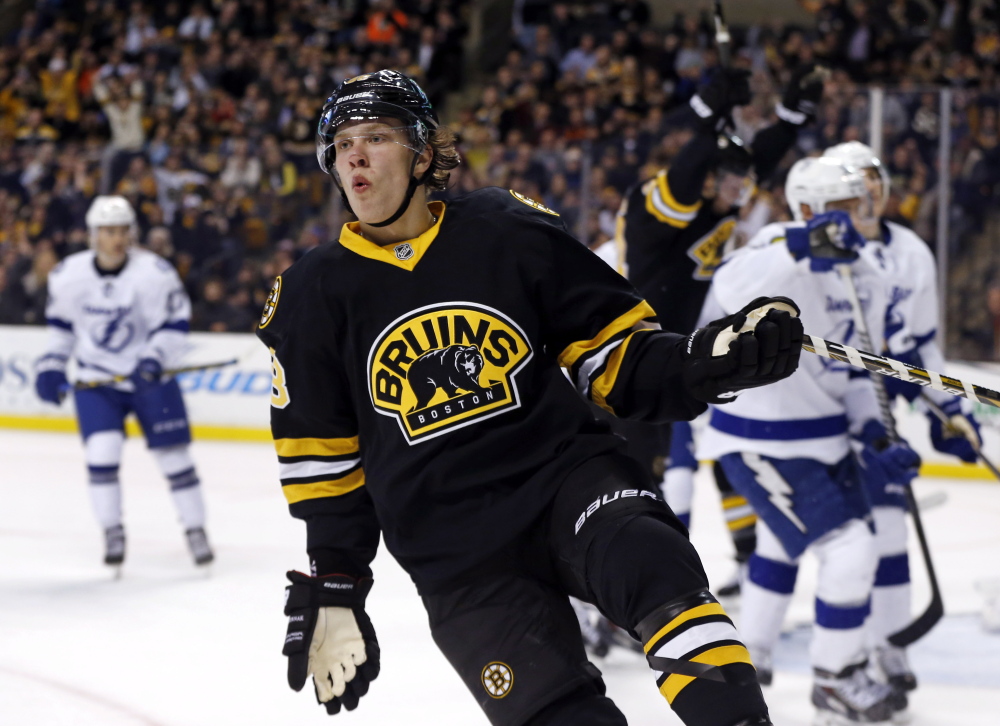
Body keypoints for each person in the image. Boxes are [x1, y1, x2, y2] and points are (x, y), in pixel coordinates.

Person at [256, 70, 805, 726]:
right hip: (453, 549)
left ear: (423, 154)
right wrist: (337, 580)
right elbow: (322, 461)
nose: (355, 157)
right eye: (342, 144)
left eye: (375, 137)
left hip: (567, 483)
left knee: (656, 571)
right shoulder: (310, 295)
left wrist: (703, 362)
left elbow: (615, 360)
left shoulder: (505, 229)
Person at [698, 157, 921, 724]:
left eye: (859, 204)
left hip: (826, 442)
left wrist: (875, 437)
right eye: (840, 207)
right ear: (805, 209)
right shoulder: (776, 246)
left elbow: (856, 374)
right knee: (850, 550)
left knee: (783, 543)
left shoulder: (865, 271)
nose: (856, 216)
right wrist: (802, 244)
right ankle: (834, 679)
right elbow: (729, 287)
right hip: (760, 442)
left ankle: (754, 653)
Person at [613, 63, 828, 595]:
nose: (742, 191)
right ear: (707, 177)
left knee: (725, 457)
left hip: (687, 352)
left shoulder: (716, 199)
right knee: (640, 479)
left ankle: (746, 560)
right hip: (631, 360)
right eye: (730, 182)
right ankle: (623, 592)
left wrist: (789, 120)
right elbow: (688, 175)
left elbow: (750, 164)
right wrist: (708, 121)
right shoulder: (653, 206)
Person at [823, 140, 983, 698]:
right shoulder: (819, 255)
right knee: (836, 544)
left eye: (873, 180)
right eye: (854, 184)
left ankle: (888, 649)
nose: (867, 193)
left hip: (877, 408)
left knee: (888, 531)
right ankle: (821, 660)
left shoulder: (913, 251)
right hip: (823, 410)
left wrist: (949, 409)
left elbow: (921, 346)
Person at [34, 195, 213, 571]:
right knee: (102, 453)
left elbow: (176, 325)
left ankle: (195, 528)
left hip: (151, 377)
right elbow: (61, 332)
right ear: (93, 234)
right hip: (97, 379)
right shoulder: (68, 275)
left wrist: (153, 359)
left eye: (122, 231)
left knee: (175, 457)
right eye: (108, 231)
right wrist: (51, 366)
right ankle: (112, 529)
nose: (116, 239)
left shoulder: (155, 273)